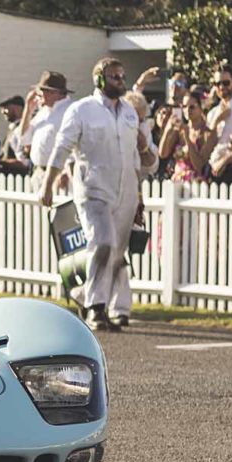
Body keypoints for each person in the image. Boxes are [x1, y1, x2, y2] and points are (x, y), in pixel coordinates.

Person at [41, 57, 157, 331]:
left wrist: (141, 183)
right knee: (102, 242)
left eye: (122, 76)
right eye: (114, 76)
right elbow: (62, 147)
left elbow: (143, 160)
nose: (121, 81)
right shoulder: (82, 110)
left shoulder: (130, 112)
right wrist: (48, 183)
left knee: (116, 253)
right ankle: (96, 308)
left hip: (125, 190)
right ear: (100, 80)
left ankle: (90, 299)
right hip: (94, 188)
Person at [27, 71, 73, 196]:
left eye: (44, 90)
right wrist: (28, 109)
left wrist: (65, 171)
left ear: (55, 93)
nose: (40, 94)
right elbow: (24, 139)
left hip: (59, 176)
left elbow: (75, 144)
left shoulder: (70, 111)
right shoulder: (43, 112)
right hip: (38, 172)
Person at [156, 87, 216, 183]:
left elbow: (199, 165)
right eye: (184, 106)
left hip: (196, 183)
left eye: (192, 107)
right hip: (177, 180)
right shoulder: (179, 131)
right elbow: (162, 154)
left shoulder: (208, 134)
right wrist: (168, 130)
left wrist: (187, 138)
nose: (187, 110)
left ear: (201, 108)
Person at [0, 95, 27, 168]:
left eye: (6, 108)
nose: (2, 112)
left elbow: (23, 160)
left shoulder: (25, 128)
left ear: (18, 108)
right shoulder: (12, 128)